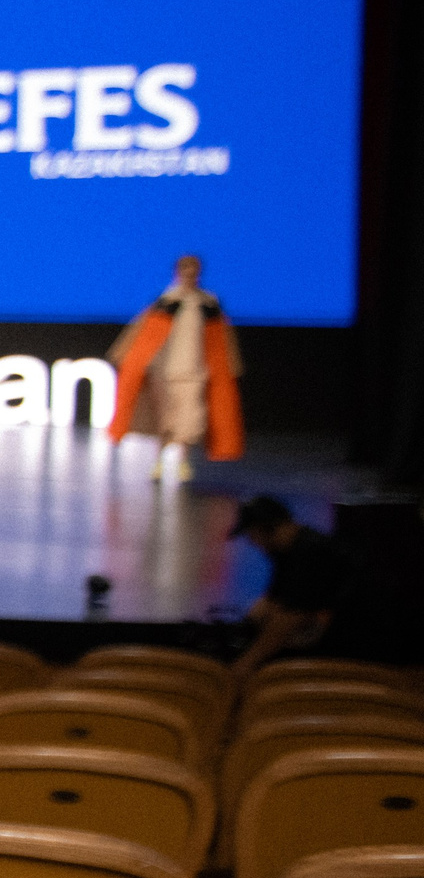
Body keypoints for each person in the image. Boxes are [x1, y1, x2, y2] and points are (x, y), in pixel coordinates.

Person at [110, 254, 243, 482]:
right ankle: (160, 461)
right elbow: (143, 334)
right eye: (186, 270)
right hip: (164, 371)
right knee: (165, 419)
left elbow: (221, 339)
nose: (190, 274)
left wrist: (228, 365)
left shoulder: (208, 303)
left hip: (196, 370)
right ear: (178, 272)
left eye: (194, 270)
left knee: (190, 419)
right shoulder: (167, 301)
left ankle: (182, 460)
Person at [229, 494, 349, 676]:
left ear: (265, 529)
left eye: (252, 535)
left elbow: (290, 617)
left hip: (347, 642)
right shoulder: (287, 553)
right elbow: (269, 604)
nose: (252, 543)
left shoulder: (309, 553)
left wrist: (244, 664)